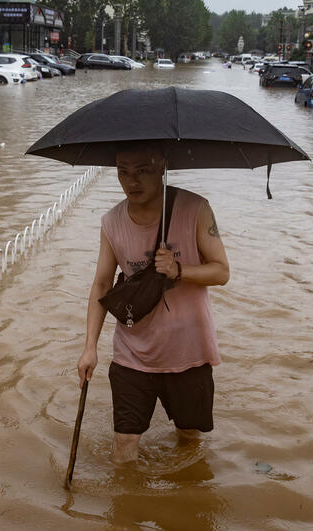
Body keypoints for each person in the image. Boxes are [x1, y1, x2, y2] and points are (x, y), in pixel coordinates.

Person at [77, 144, 230, 464]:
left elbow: (221, 271)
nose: (131, 181)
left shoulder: (195, 209)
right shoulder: (112, 222)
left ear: (162, 165)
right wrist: (89, 346)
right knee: (124, 446)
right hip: (132, 353)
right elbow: (102, 284)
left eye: (142, 171)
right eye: (123, 171)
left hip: (190, 353)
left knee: (189, 443)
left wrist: (179, 270)